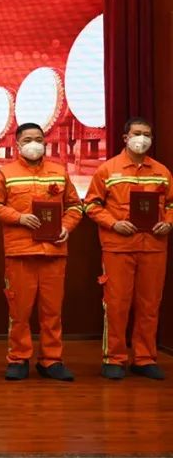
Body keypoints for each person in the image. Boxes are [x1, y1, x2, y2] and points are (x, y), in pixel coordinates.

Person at [0, 122, 82, 381]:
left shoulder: (59, 172)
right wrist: (19, 218)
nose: (34, 144)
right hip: (20, 253)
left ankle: (51, 360)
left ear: (45, 142)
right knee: (20, 311)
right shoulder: (6, 173)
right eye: (27, 140)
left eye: (38, 139)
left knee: (52, 311)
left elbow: (75, 206)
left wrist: (66, 226)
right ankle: (18, 358)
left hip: (54, 252)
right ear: (17, 144)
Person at [85, 117, 173, 380]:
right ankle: (114, 358)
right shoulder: (107, 170)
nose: (142, 138)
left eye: (147, 134)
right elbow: (91, 205)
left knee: (149, 305)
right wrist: (114, 224)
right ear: (125, 138)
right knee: (116, 304)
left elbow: (171, 205)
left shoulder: (162, 172)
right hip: (118, 247)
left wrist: (169, 223)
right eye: (137, 133)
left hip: (153, 247)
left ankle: (144, 358)